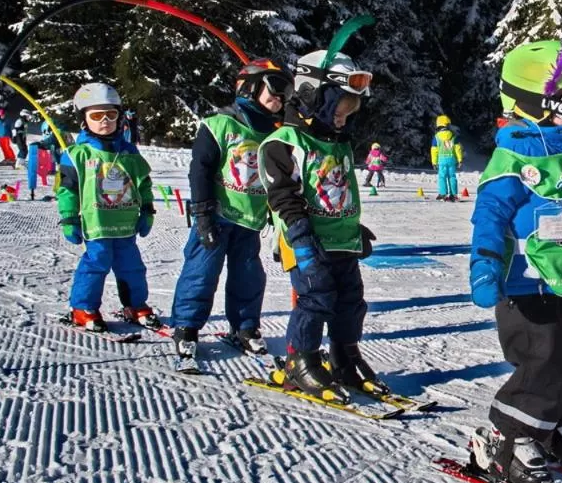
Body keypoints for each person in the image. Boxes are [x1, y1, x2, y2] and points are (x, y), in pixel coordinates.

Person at [465, 39, 562, 483]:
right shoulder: (513, 163)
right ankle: (509, 442)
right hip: (527, 284)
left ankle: (556, 432)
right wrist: (485, 263)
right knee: (543, 369)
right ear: (534, 104)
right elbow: (489, 215)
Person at [259, 48, 380, 401]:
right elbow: (283, 197)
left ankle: (345, 355)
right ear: (314, 96)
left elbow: (339, 191)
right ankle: (301, 360)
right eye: (340, 109)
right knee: (315, 299)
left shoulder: (335, 142)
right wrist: (300, 238)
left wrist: (354, 229)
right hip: (307, 241)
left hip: (341, 239)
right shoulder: (284, 144)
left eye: (350, 111)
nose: (344, 119)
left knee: (351, 301)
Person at [170, 59, 292, 361]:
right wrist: (201, 212)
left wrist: (280, 225)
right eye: (274, 90)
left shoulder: (275, 135)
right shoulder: (219, 125)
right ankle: (187, 326)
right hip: (217, 216)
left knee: (249, 275)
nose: (280, 99)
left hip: (249, 221)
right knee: (201, 272)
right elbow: (200, 170)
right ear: (249, 87)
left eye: (285, 94)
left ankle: (245, 327)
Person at [57, 83, 157, 332]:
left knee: (132, 266)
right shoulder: (76, 154)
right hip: (97, 224)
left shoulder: (130, 153)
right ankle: (83, 308)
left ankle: (135, 304)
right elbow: (67, 190)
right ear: (83, 119)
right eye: (96, 115)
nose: (104, 121)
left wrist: (147, 209)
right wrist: (69, 218)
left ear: (119, 117)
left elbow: (143, 183)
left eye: (110, 115)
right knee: (96, 264)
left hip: (125, 224)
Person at [430, 114, 464, 201]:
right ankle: (453, 195)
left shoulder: (436, 137)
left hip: (441, 160)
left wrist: (434, 162)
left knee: (442, 176)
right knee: (452, 176)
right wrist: (460, 160)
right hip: (452, 160)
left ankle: (443, 193)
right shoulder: (453, 136)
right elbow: (458, 148)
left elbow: (434, 150)